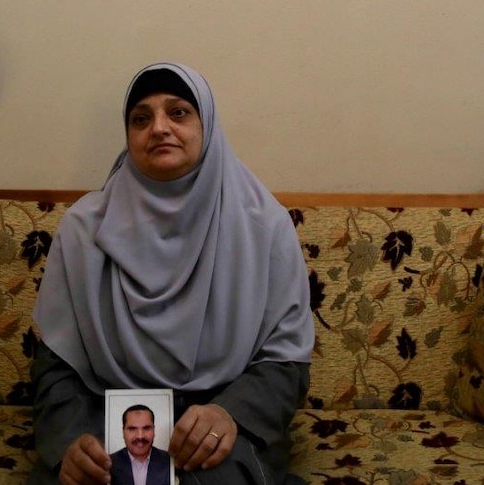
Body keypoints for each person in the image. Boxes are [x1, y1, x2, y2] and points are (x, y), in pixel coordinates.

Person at [28, 62, 314, 485]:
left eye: (178, 112)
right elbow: (55, 364)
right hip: (104, 417)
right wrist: (71, 440)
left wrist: (229, 413)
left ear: (207, 125)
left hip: (221, 424)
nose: (159, 127)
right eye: (141, 118)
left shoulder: (263, 226)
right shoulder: (84, 230)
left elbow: (287, 361)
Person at [109, 404, 171, 485]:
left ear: (154, 430)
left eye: (146, 428)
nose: (140, 436)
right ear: (123, 432)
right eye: (132, 429)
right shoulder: (109, 463)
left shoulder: (169, 461)